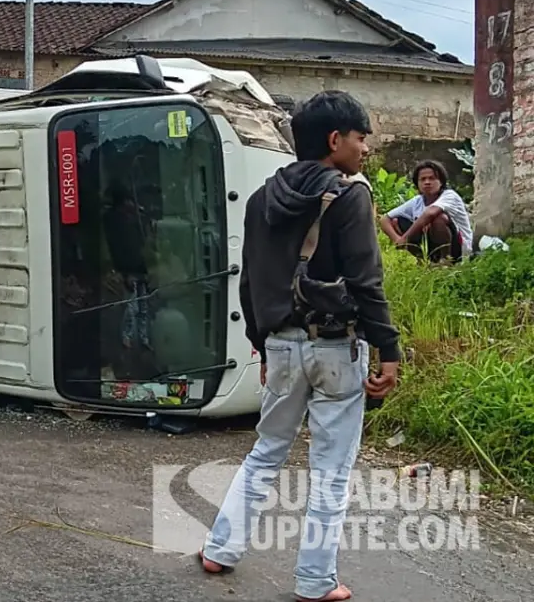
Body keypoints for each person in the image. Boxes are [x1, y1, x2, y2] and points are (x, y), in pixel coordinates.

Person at [198, 91, 400, 602]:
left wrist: (262, 347)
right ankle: (315, 581)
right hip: (335, 348)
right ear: (335, 140)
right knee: (330, 470)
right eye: (360, 138)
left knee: (265, 451)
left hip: (282, 346)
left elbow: (249, 281)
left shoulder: (262, 197)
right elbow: (367, 282)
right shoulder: (350, 196)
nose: (365, 149)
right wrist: (389, 351)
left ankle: (219, 549)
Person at [378, 159, 473, 263]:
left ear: (441, 182)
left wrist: (404, 238)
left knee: (438, 218)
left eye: (432, 178)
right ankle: (424, 260)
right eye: (422, 179)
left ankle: (446, 261)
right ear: (417, 183)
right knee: (396, 221)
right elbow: (385, 219)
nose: (427, 182)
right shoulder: (417, 201)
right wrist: (397, 239)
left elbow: (430, 213)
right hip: (431, 245)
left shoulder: (450, 195)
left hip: (458, 250)